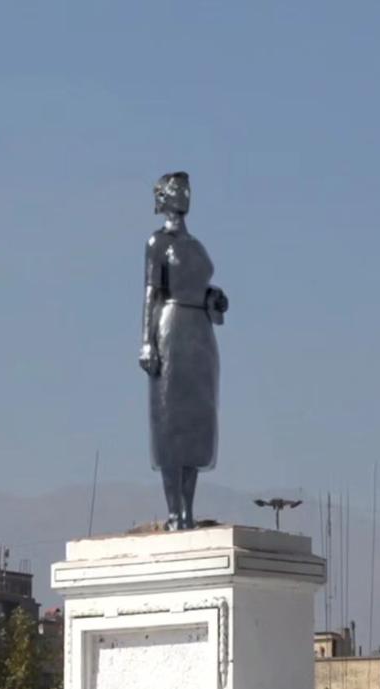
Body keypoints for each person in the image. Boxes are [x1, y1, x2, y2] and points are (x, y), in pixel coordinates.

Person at [139, 172, 228, 530]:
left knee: (196, 420)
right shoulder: (158, 242)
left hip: (200, 332)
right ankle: (175, 511)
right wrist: (147, 341)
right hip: (171, 328)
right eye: (177, 189)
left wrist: (213, 297)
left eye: (187, 189)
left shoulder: (196, 245)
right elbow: (150, 293)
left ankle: (188, 509)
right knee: (171, 419)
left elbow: (200, 286)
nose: (184, 194)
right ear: (162, 197)